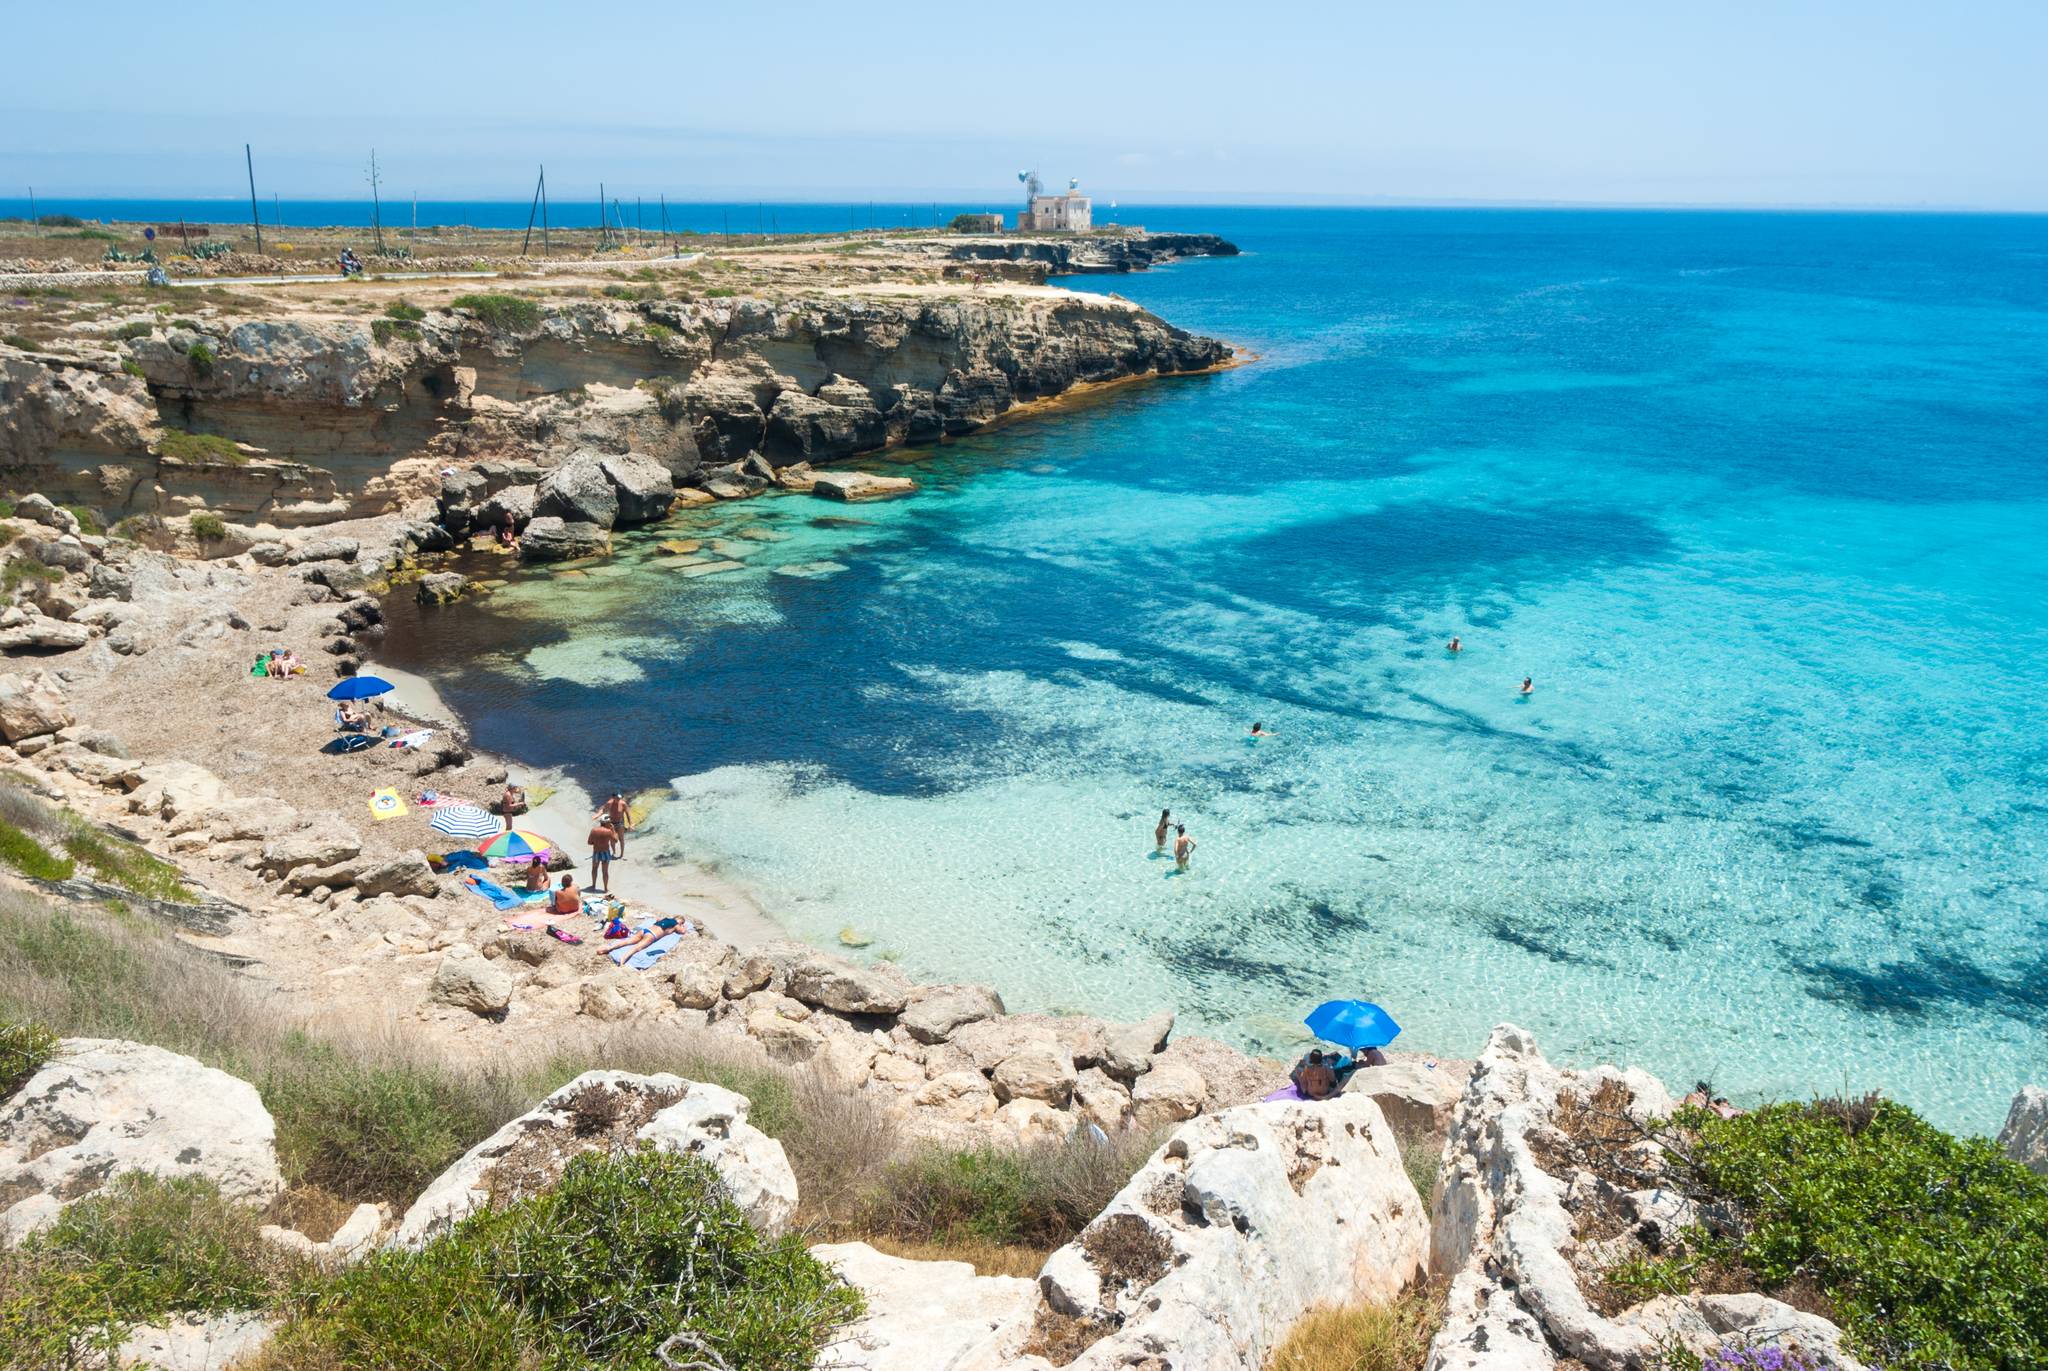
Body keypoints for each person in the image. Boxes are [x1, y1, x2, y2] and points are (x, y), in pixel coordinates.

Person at [610, 915, 687, 961]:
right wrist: (683, 926)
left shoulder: (666, 919)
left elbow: (658, 919)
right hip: (651, 935)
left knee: (628, 941)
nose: (681, 924)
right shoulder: (676, 924)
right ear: (679, 921)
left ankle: (608, 948)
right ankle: (623, 958)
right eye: (682, 922)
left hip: (644, 931)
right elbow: (682, 931)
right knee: (636, 948)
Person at [588, 818, 618, 890]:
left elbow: (589, 842)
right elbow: (616, 840)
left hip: (596, 852)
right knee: (605, 871)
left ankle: (593, 885)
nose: (610, 824)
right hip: (605, 852)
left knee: (594, 869)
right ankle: (605, 888)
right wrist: (613, 830)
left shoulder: (594, 830)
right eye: (609, 823)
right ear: (607, 823)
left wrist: (596, 842)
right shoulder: (609, 832)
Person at [600, 791, 632, 857]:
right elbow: (604, 812)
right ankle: (614, 852)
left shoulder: (623, 804)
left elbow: (628, 813)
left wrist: (630, 824)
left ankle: (622, 854)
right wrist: (603, 823)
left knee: (621, 839)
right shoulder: (609, 803)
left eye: (620, 798)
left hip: (620, 823)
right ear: (613, 797)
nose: (619, 799)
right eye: (617, 798)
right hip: (612, 823)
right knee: (612, 839)